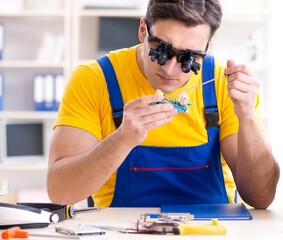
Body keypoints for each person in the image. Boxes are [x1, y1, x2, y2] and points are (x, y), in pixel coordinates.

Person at [47, 0, 280, 209]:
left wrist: (247, 117)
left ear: (207, 48)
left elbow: (261, 197)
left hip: (212, 229)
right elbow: (60, 192)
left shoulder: (225, 84)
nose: (169, 70)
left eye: (189, 57)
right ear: (142, 30)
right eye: (161, 49)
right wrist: (121, 139)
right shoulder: (94, 79)